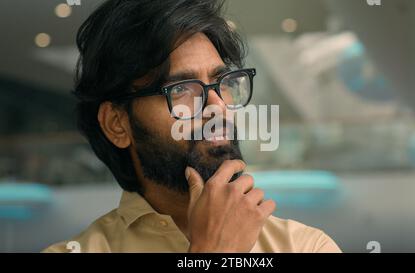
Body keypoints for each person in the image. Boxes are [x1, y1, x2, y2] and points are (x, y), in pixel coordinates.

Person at [43, 0, 341, 253]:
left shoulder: (304, 247)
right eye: (182, 89)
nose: (218, 107)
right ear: (117, 124)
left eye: (222, 83)